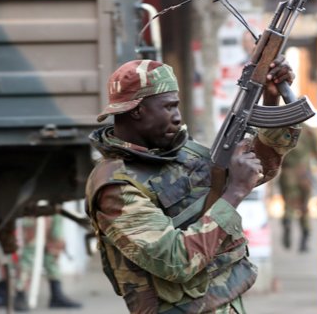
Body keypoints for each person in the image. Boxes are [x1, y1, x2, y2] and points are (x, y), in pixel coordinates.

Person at [84, 58, 300, 313]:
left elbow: (255, 168)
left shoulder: (179, 151)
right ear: (137, 111)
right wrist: (234, 194)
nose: (177, 117)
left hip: (222, 301)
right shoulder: (115, 186)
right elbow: (175, 260)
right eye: (169, 107)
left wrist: (270, 100)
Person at [0, 215, 82, 311]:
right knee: (30, 248)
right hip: (33, 209)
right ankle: (20, 292)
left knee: (54, 245)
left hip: (53, 207)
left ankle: (56, 293)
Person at [277, 123, 317, 253]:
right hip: (304, 173)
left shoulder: (284, 129)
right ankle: (304, 240)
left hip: (288, 172)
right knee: (304, 207)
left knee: (289, 205)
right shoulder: (309, 131)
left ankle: (288, 223)